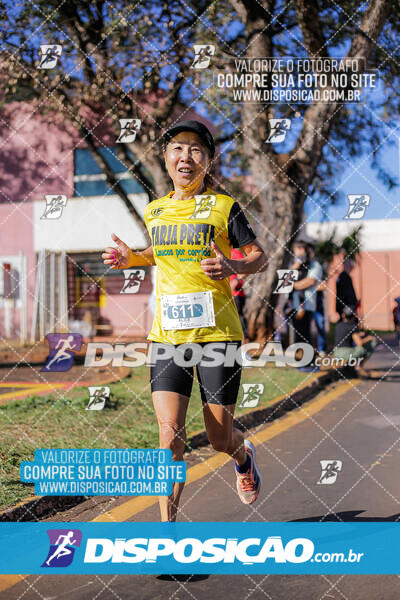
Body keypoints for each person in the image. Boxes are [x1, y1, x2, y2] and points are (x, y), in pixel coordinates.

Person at [102, 120, 268, 521]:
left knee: (218, 438)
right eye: (178, 148)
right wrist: (132, 258)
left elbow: (258, 257)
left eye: (196, 150)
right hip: (167, 339)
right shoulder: (156, 210)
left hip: (217, 338)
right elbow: (160, 253)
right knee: (169, 436)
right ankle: (168, 531)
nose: (186, 157)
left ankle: (243, 455)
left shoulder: (224, 207)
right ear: (165, 157)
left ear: (208, 161)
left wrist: (230, 264)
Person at [333, 306, 377, 374]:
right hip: (346, 353)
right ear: (354, 316)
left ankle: (348, 367)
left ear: (343, 315)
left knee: (354, 350)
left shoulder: (338, 325)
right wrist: (369, 338)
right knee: (367, 346)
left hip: (336, 353)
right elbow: (359, 343)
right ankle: (358, 366)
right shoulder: (352, 327)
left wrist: (358, 334)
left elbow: (345, 334)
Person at [230, 247, 249, 343]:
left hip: (236, 294)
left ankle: (244, 349)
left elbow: (245, 269)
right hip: (225, 295)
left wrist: (236, 281)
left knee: (239, 322)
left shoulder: (235, 253)